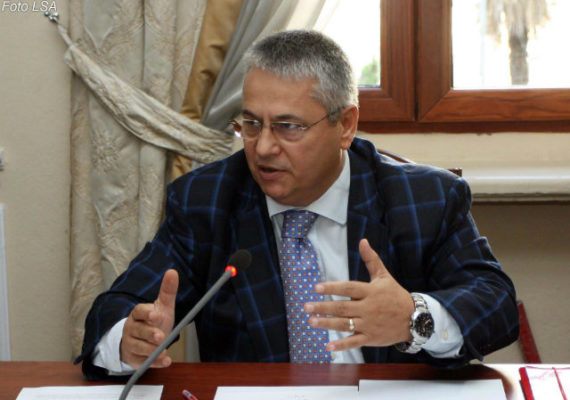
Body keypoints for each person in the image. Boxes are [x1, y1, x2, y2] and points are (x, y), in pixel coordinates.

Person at [76, 30, 519, 380]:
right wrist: (128, 340)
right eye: (252, 124)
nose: (263, 147)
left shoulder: (424, 199)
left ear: (345, 125)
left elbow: (496, 304)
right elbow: (115, 310)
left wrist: (414, 319)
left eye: (288, 127)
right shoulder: (206, 201)